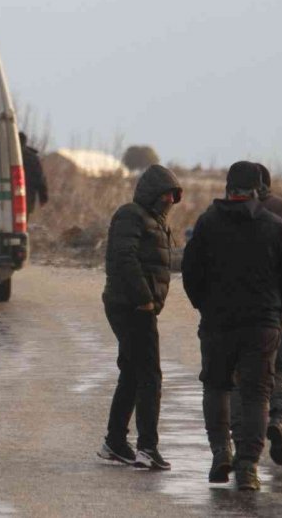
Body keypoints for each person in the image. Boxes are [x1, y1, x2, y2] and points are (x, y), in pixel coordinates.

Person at [181, 161, 282, 491]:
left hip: (218, 322)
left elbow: (190, 272)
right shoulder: (275, 226)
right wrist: (274, 308)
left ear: (228, 187)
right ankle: (248, 466)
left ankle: (221, 453)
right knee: (256, 394)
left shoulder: (207, 224)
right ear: (258, 189)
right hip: (262, 325)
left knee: (216, 386)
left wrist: (203, 304)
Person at [97, 164, 182, 471]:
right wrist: (145, 299)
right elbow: (124, 257)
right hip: (131, 307)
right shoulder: (131, 215)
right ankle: (147, 447)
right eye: (169, 194)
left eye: (175, 195)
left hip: (135, 306)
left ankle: (115, 443)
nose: (172, 200)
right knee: (150, 376)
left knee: (133, 373)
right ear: (156, 193)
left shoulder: (155, 221)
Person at [227, 163, 282, 466]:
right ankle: (277, 419)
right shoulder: (280, 210)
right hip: (277, 311)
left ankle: (240, 444)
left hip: (233, 312)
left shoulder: (221, 212)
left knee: (239, 379)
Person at [19, 132, 49, 215]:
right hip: (27, 199)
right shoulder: (32, 157)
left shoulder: (5, 154)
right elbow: (40, 178)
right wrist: (43, 197)